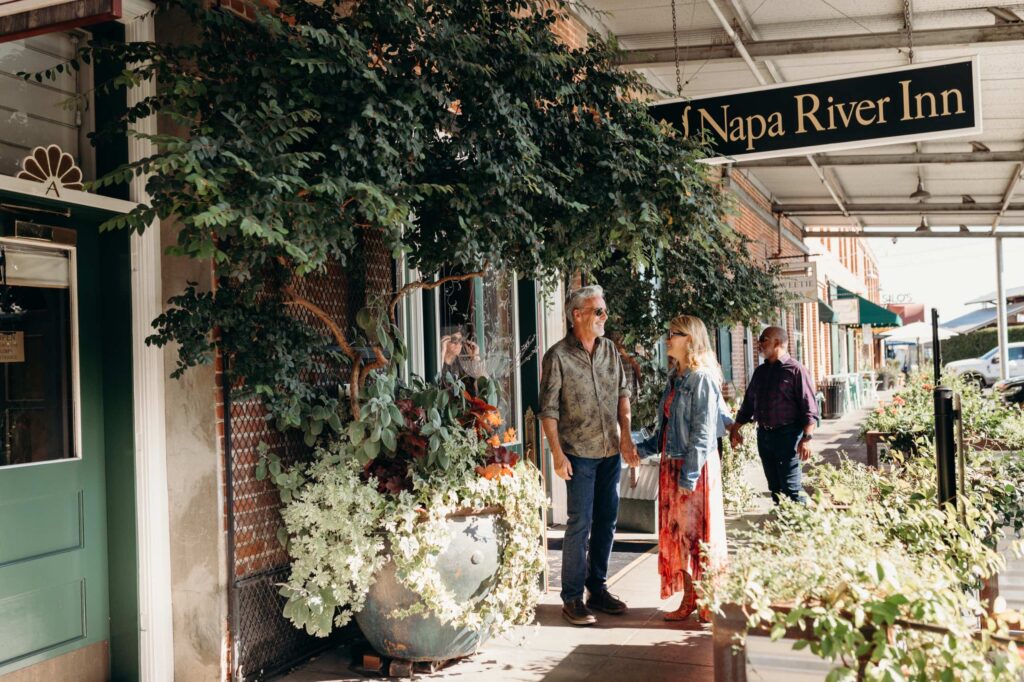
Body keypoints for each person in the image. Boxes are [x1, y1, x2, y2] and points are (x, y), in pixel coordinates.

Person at [539, 284, 640, 626]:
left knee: (607, 520)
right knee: (579, 524)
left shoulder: (610, 350)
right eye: (598, 311)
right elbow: (548, 411)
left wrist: (626, 437)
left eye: (604, 310)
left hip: (610, 450)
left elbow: (622, 397)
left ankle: (597, 588)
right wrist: (556, 453)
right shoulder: (557, 357)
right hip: (578, 454)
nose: (604, 317)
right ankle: (571, 598)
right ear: (577, 315)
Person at [636, 315, 730, 622]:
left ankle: (707, 602)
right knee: (679, 535)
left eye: (672, 334)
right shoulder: (676, 378)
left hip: (694, 467)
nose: (667, 340)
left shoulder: (702, 378)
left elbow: (703, 432)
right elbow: (665, 429)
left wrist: (689, 475)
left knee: (698, 536)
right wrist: (641, 450)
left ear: (689, 339)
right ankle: (691, 598)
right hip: (672, 463)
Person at [728, 326, 818, 504]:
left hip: (788, 436)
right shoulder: (761, 372)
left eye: (763, 339)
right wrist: (735, 428)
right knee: (775, 489)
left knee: (791, 488)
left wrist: (807, 438)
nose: (759, 343)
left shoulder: (796, 370)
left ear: (777, 342)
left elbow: (809, 407)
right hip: (764, 436)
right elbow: (748, 404)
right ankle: (784, 526)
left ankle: (802, 527)